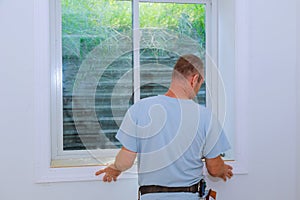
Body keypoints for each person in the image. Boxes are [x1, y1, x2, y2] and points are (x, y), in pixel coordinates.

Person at [95, 54, 233, 200]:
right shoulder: (205, 116)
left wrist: (115, 168)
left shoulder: (139, 109)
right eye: (201, 83)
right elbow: (214, 168)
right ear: (194, 79)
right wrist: (222, 169)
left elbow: (125, 161)